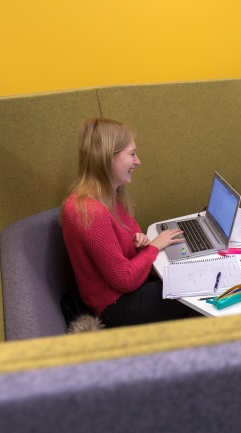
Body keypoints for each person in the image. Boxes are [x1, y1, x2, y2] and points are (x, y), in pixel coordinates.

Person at [61, 117, 196, 328]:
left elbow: (130, 235)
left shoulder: (110, 194)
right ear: (107, 158)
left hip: (127, 290)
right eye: (131, 154)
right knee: (195, 292)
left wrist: (138, 242)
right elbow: (124, 279)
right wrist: (153, 247)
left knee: (190, 276)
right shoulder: (89, 210)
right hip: (114, 306)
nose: (138, 161)